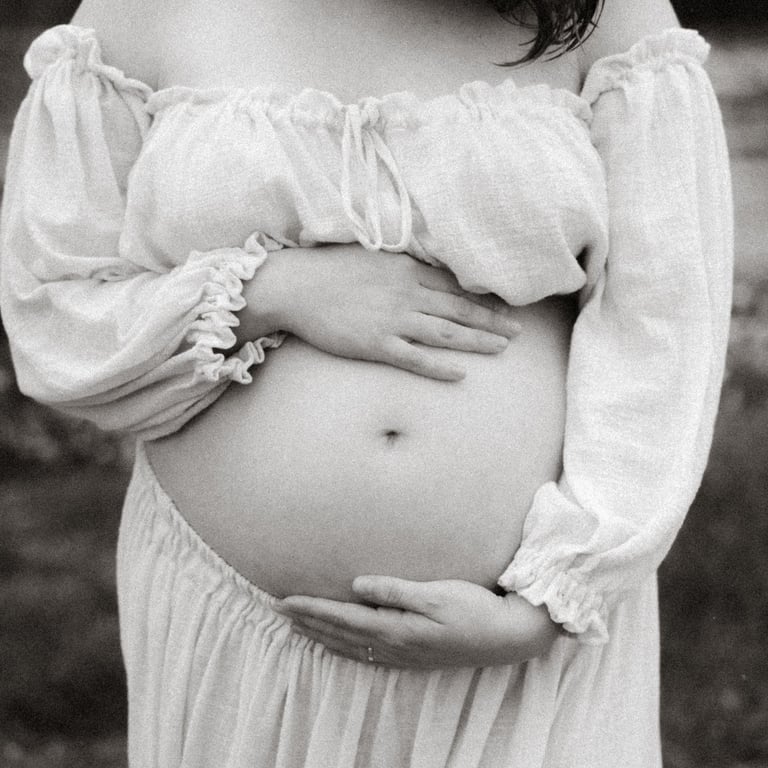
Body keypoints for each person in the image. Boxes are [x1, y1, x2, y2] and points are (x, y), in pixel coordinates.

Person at [0, 0, 732, 764]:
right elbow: (54, 310)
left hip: (518, 651)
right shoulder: (144, 12)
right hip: (242, 643)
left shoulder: (613, 16)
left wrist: (551, 603)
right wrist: (271, 291)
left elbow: (662, 324)